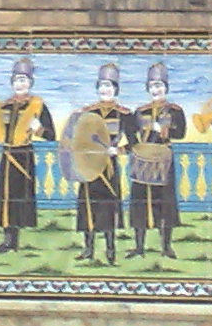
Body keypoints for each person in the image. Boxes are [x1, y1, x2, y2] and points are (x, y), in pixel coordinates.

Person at [0, 58, 53, 253]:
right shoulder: (5, 106)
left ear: (30, 82)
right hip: (7, 153)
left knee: (18, 197)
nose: (20, 84)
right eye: (17, 80)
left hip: (23, 155)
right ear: (12, 82)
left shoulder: (37, 105)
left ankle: (14, 240)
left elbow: (51, 135)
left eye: (24, 80)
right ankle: (7, 239)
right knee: (5, 196)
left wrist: (38, 128)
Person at [74, 64, 132, 265]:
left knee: (108, 208)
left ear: (116, 88)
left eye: (109, 85)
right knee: (87, 206)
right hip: (89, 166)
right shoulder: (87, 112)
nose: (105, 89)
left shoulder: (124, 114)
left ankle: (110, 250)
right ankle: (88, 248)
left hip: (109, 167)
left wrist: (120, 150)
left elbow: (135, 142)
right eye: (102, 85)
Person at [127, 61, 186, 257]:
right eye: (152, 85)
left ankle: (166, 246)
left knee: (165, 202)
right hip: (143, 159)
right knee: (139, 202)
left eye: (159, 85)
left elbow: (181, 133)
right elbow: (130, 132)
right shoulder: (140, 111)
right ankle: (139, 246)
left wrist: (163, 130)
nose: (156, 89)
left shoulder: (174, 110)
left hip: (163, 160)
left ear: (166, 88)